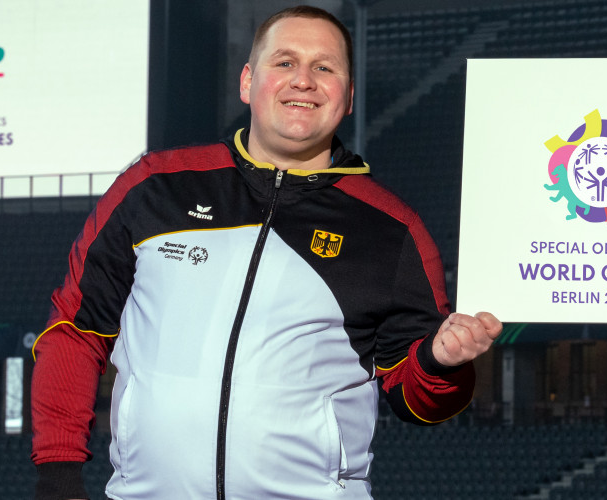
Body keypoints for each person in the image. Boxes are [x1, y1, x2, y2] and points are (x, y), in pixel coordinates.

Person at [29, 6, 502, 499]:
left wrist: (442, 362)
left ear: (348, 97)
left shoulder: (393, 230)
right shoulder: (153, 187)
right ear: (247, 81)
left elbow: (418, 402)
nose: (304, 80)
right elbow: (74, 333)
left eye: (325, 67)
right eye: (284, 62)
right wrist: (58, 474)